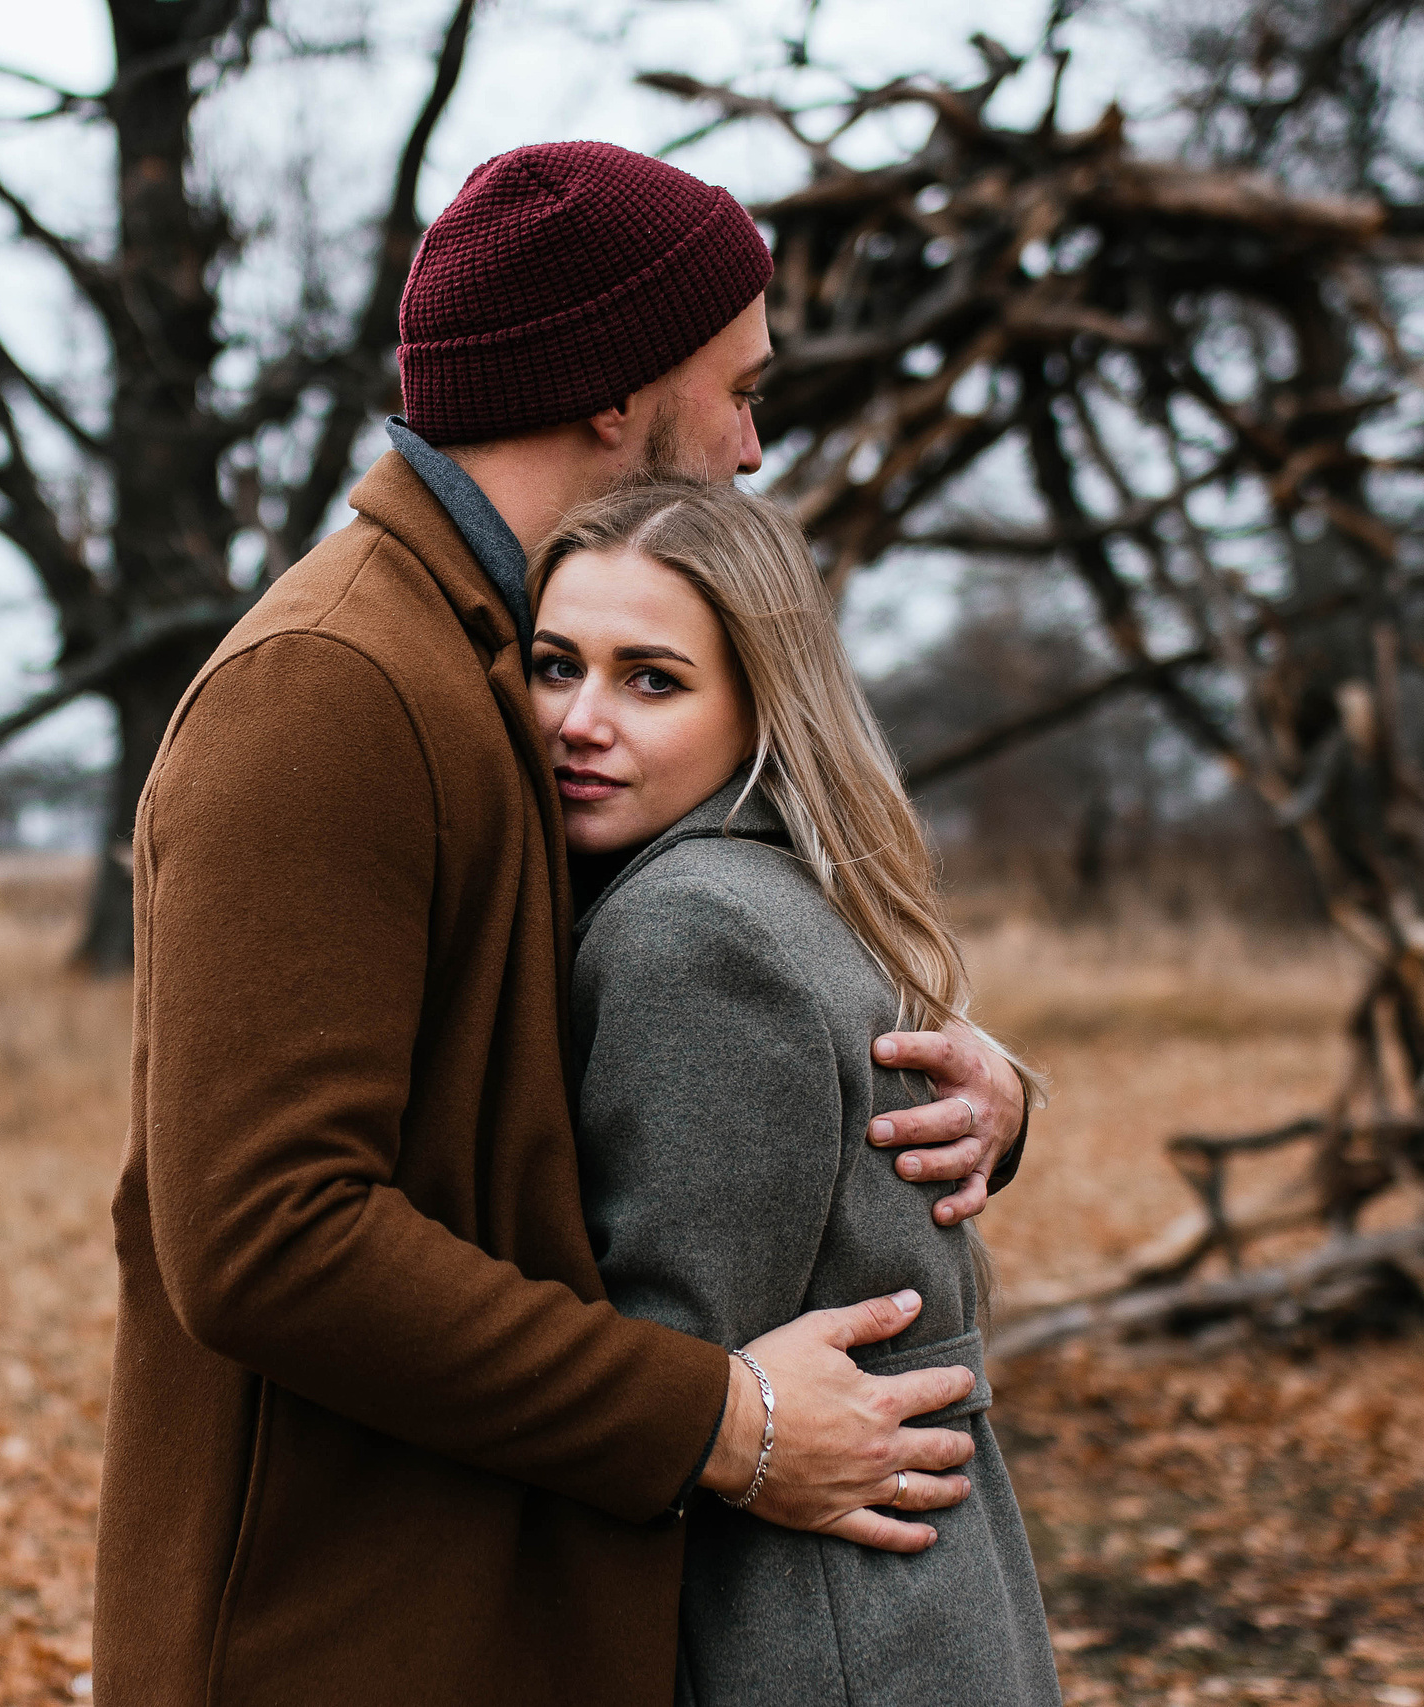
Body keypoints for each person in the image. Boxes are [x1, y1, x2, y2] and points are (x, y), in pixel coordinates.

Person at [93, 140, 1034, 1707]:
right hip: (332, 1631)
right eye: (738, 387)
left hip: (474, 1601)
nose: (748, 445)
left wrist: (948, 1080)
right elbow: (267, 1233)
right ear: (615, 389)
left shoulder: (508, 659)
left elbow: (640, 1001)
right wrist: (719, 1420)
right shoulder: (329, 685)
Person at [533, 479, 1062, 1707]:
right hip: (913, 1615)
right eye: (556, 665)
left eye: (651, 680)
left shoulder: (688, 929)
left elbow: (676, 1357)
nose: (580, 720)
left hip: (806, 1630)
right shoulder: (787, 889)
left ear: (758, 702)